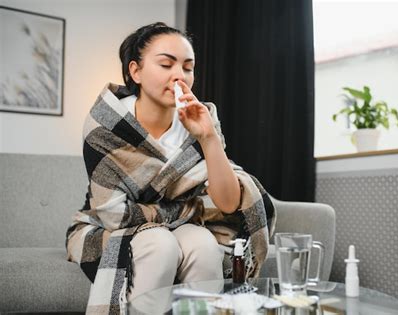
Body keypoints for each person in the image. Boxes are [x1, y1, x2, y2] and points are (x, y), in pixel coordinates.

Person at [65, 22, 275, 314]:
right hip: (109, 227)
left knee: (203, 244)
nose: (180, 75)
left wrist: (208, 136)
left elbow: (227, 203)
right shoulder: (105, 127)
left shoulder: (202, 119)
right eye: (166, 64)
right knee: (160, 244)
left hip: (179, 226)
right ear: (135, 71)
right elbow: (114, 214)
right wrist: (190, 210)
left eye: (188, 67)